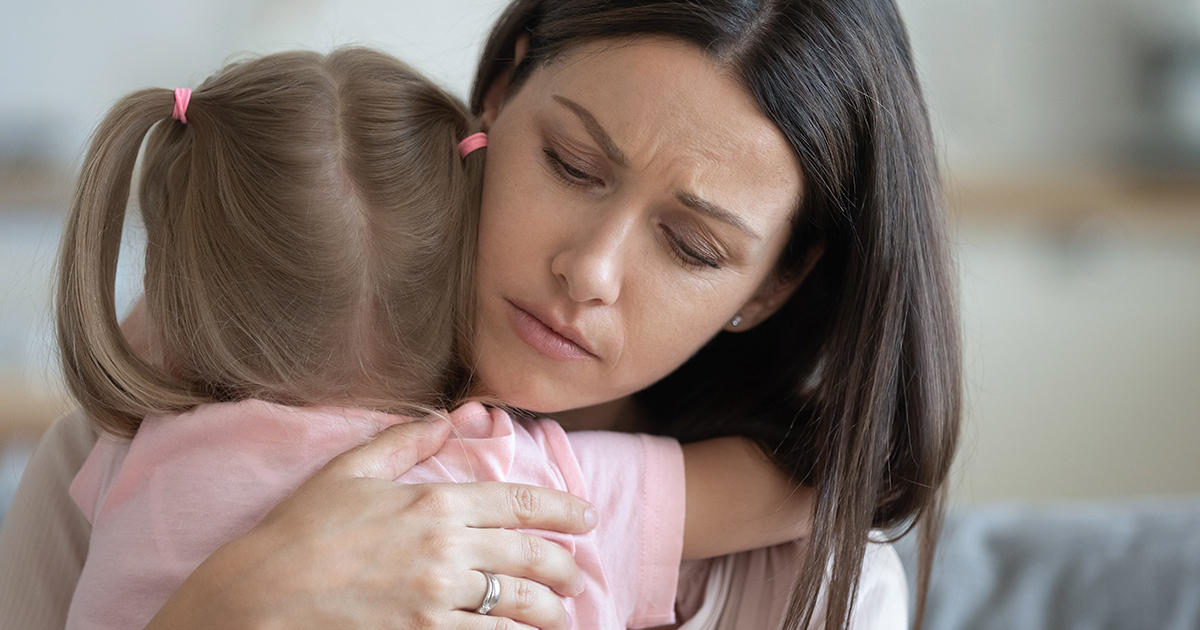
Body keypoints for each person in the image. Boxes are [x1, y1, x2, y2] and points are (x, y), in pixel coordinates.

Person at [0, 1, 961, 629]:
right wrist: (230, 607)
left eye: (691, 246)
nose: (588, 270)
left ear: (772, 285)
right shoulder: (173, 379)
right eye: (572, 165)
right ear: (498, 93)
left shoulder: (817, 590)